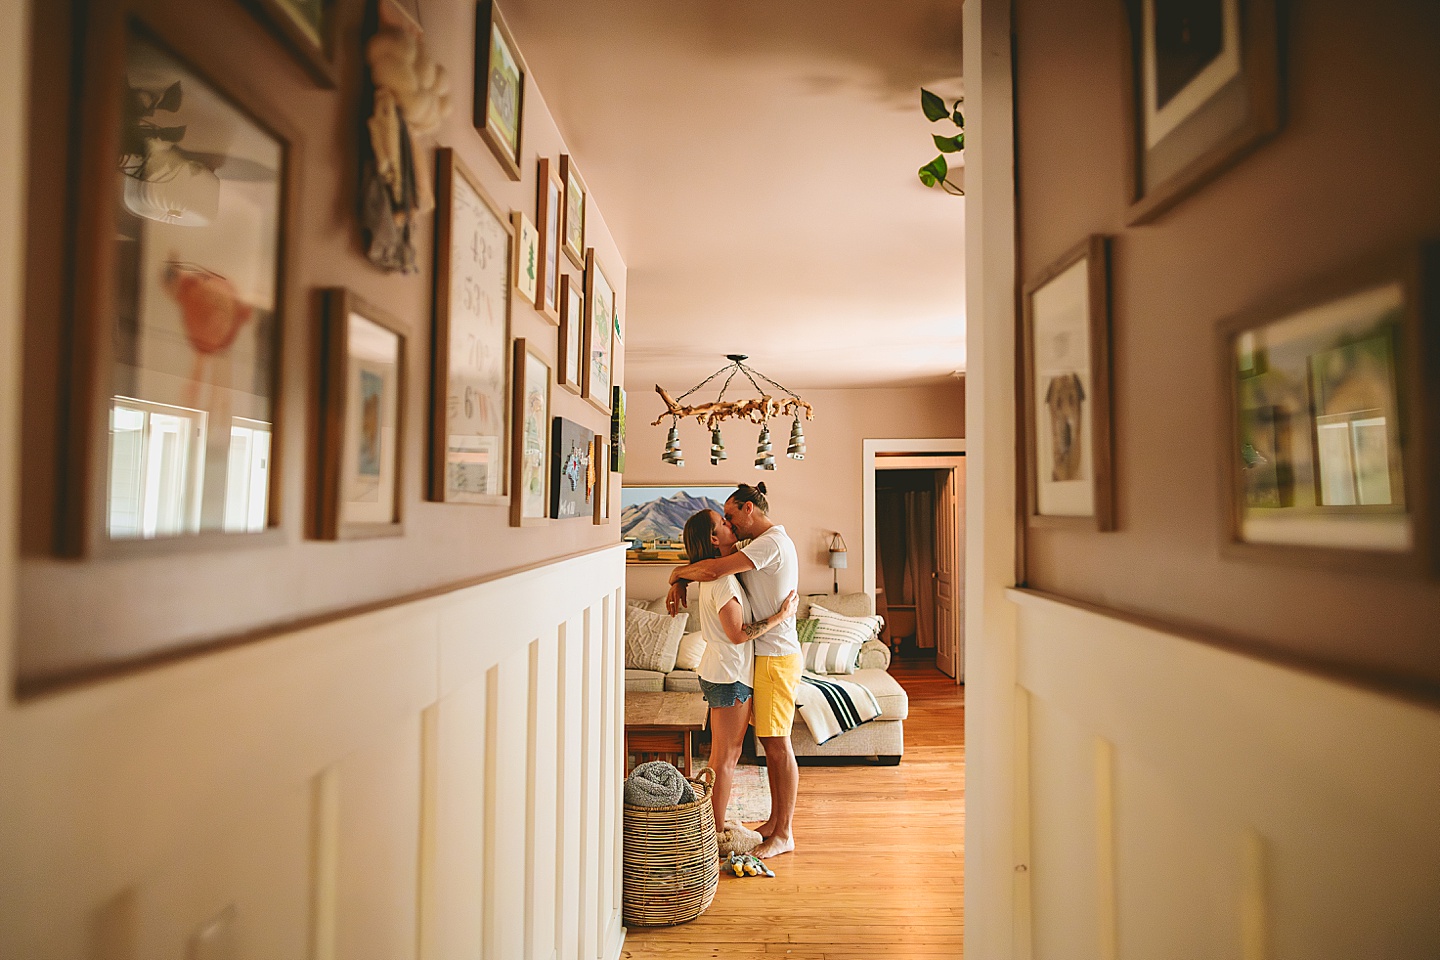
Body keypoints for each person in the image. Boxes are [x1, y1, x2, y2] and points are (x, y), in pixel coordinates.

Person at [667, 482, 800, 859]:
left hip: (775, 656)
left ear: (748, 509)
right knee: (754, 749)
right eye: (723, 520)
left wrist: (679, 574)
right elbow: (711, 569)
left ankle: (783, 831)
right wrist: (677, 575)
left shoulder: (769, 543)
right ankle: (770, 826)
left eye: (730, 516)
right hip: (750, 660)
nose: (729, 523)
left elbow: (713, 568)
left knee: (775, 745)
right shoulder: (750, 547)